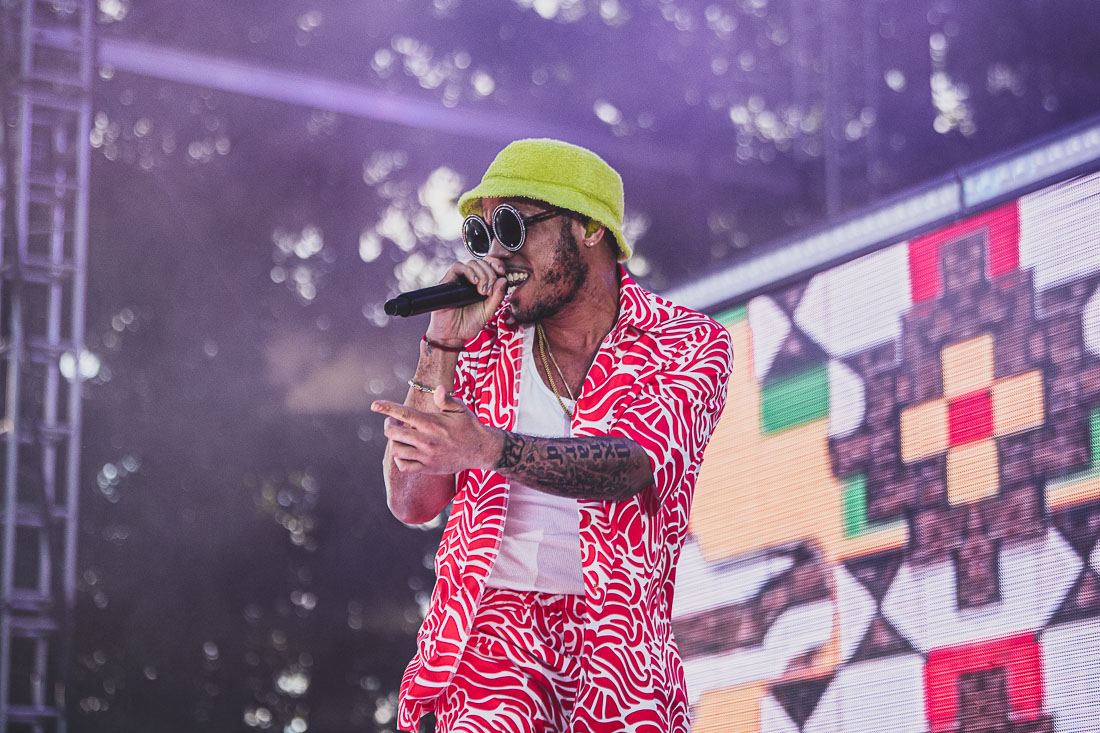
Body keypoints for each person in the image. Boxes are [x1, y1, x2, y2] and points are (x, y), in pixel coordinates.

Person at [371, 138, 734, 733]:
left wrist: (486, 447)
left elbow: (632, 466)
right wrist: (440, 344)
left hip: (616, 639)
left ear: (590, 227)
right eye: (480, 236)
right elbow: (412, 502)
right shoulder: (479, 342)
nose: (497, 256)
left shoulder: (687, 342)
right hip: (492, 631)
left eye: (512, 228)